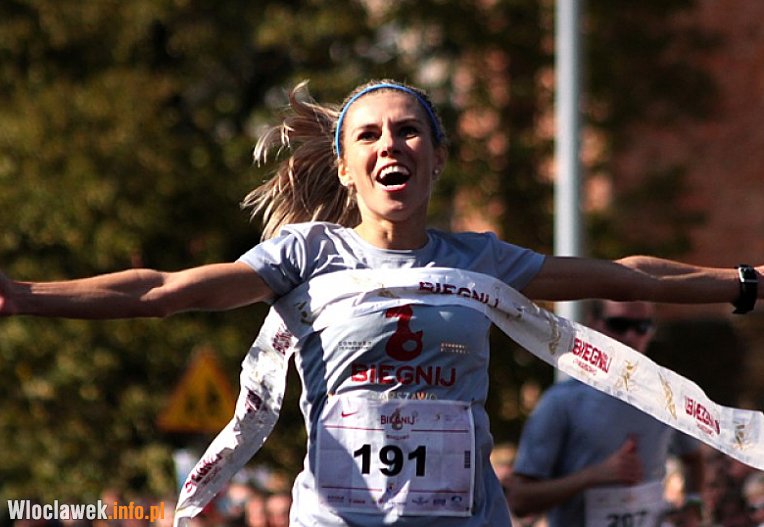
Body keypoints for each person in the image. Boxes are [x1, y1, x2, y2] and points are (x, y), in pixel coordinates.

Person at [0, 79, 761, 527]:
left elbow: (625, 277)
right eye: (369, 136)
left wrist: (743, 280)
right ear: (345, 167)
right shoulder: (306, 254)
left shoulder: (480, 258)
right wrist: (22, 296)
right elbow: (161, 292)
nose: (390, 145)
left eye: (408, 132)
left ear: (437, 157)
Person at [506, 300, 706, 527]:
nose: (631, 337)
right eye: (618, 325)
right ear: (594, 324)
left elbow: (694, 458)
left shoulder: (666, 397)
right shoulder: (561, 402)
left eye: (643, 327)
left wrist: (693, 504)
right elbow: (519, 500)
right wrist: (592, 476)